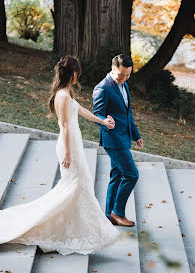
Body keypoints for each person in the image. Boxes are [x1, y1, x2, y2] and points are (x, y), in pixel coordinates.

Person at [0, 55, 120, 255]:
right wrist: (67, 154)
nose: (78, 76)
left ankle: (80, 229)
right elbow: (64, 126)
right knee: (77, 185)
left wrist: (102, 121)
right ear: (72, 73)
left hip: (73, 144)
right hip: (69, 146)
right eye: (77, 73)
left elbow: (80, 111)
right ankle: (85, 231)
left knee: (78, 186)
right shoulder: (62, 96)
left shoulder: (66, 93)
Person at [92, 54, 143, 227]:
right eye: (121, 75)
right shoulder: (102, 88)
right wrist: (105, 121)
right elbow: (97, 113)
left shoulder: (124, 85)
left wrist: (136, 135)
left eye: (128, 75)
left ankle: (108, 215)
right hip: (113, 140)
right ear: (113, 69)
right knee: (132, 174)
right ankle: (117, 213)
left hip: (124, 137)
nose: (124, 78)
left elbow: (127, 113)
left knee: (117, 175)